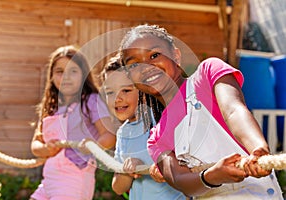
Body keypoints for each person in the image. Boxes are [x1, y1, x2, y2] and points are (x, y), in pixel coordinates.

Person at [119, 24, 283, 199]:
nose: (146, 67)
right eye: (134, 65)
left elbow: (234, 110)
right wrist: (212, 176)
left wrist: (258, 148)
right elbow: (181, 180)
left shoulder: (208, 73)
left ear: (176, 55)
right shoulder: (156, 140)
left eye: (154, 55)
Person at [30, 45, 116, 200]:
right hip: (49, 180)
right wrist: (45, 149)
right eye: (60, 72)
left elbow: (109, 136)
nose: (66, 77)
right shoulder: (51, 106)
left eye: (73, 71)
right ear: (52, 76)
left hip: (74, 179)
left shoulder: (91, 102)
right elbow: (36, 142)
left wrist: (92, 146)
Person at [100, 55, 186, 200]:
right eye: (110, 92)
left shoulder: (160, 120)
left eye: (126, 90)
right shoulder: (123, 133)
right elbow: (118, 188)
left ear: (142, 90)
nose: (117, 98)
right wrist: (127, 171)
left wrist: (159, 168)